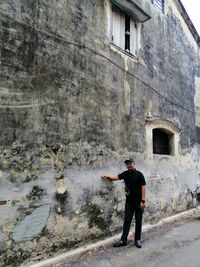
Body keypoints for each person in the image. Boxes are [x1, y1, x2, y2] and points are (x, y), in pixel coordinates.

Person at [101, 157, 146, 248]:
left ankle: (137, 240)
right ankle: (123, 240)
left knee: (138, 221)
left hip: (138, 201)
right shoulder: (125, 174)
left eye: (130, 163)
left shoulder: (139, 174)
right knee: (127, 220)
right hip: (129, 201)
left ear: (134, 163)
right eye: (127, 164)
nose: (129, 165)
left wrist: (143, 201)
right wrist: (108, 177)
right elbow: (116, 177)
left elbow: (143, 188)